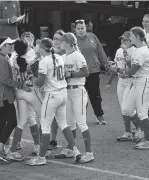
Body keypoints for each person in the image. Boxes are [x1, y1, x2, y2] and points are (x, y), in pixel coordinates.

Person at [27, 38, 81, 166]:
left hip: (52, 95)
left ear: (42, 48)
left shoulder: (44, 61)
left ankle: (41, 158)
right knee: (63, 123)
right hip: (63, 93)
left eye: (38, 46)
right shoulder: (59, 57)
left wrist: (31, 77)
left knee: (45, 126)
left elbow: (40, 82)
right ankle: (75, 150)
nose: (36, 48)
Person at [108, 27, 149, 150]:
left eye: (132, 35)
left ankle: (148, 140)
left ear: (137, 37)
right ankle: (141, 132)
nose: (130, 37)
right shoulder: (138, 49)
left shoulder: (142, 51)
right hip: (137, 81)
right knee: (126, 109)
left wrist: (117, 69)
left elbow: (132, 70)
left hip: (144, 81)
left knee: (142, 112)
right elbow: (130, 68)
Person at [0, 37, 30, 161]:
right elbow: (4, 79)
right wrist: (20, 85)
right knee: (12, 122)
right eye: (8, 45)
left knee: (1, 123)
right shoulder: (2, 59)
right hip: (4, 96)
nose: (11, 46)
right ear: (2, 46)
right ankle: (0, 149)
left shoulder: (0, 58)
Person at [60, 33, 94, 163]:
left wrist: (71, 73)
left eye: (62, 41)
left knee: (81, 122)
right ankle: (70, 148)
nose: (60, 43)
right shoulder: (63, 56)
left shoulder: (77, 55)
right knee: (70, 122)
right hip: (67, 92)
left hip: (78, 91)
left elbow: (86, 72)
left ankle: (89, 153)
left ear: (68, 43)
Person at [7, 39, 42, 161]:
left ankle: (12, 150)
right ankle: (39, 146)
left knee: (22, 121)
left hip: (19, 91)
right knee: (43, 117)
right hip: (30, 91)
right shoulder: (31, 56)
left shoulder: (13, 57)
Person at [106, 31, 141, 142]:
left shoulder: (135, 51)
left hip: (131, 80)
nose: (123, 41)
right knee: (123, 109)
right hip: (121, 80)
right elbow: (115, 67)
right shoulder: (118, 51)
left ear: (131, 40)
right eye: (122, 39)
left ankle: (140, 130)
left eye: (125, 39)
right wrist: (109, 81)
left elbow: (131, 68)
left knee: (128, 108)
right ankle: (127, 132)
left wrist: (126, 52)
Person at [74, 19, 108, 125]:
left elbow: (100, 50)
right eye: (78, 28)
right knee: (80, 96)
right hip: (79, 73)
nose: (81, 30)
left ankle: (99, 116)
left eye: (82, 28)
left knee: (95, 95)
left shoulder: (92, 37)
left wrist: (105, 62)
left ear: (86, 28)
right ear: (75, 29)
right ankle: (81, 117)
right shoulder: (72, 40)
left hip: (93, 71)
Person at [48, 30, 66, 150]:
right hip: (52, 89)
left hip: (65, 90)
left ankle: (71, 145)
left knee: (66, 119)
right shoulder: (50, 53)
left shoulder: (67, 54)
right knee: (53, 117)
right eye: (54, 38)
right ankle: (52, 139)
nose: (56, 41)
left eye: (58, 39)